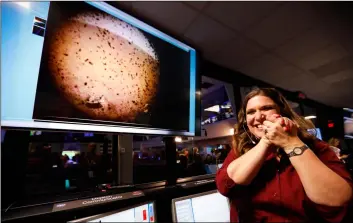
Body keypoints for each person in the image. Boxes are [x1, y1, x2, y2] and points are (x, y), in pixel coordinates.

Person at [216, 88, 353, 222]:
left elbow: (338, 198)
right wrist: (266, 141)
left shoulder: (314, 146)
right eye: (251, 112)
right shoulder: (240, 151)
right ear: (245, 120)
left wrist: (290, 142)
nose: (258, 117)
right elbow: (225, 186)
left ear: (282, 112)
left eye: (266, 108)